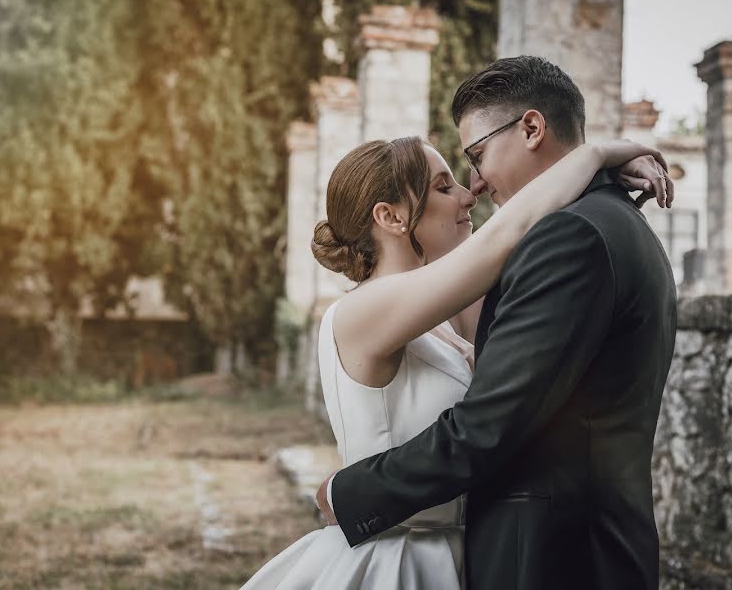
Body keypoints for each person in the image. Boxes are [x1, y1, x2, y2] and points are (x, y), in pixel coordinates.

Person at [241, 86, 671, 587]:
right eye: (445, 187)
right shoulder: (360, 311)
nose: (471, 193)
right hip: (396, 562)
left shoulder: (450, 314)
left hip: (464, 556)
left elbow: (521, 240)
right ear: (391, 217)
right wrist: (595, 154)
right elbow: (509, 232)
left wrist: (599, 182)